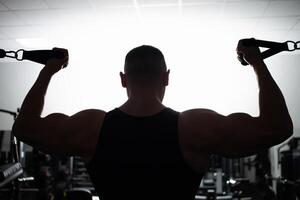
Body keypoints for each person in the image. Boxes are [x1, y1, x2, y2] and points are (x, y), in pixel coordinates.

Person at [13, 41, 293, 200]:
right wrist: (257, 61)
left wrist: (49, 70)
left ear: (123, 79)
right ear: (167, 77)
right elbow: (277, 127)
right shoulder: (194, 127)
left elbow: (24, 127)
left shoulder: (91, 127)